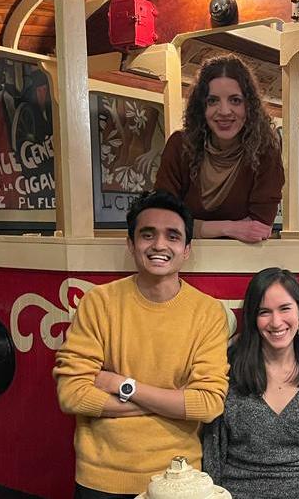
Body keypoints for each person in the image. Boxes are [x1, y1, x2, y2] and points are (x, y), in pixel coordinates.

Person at [53, 190, 229, 499]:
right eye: (148, 234)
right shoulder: (98, 303)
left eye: (172, 236)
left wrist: (122, 385)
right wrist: (170, 404)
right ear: (131, 244)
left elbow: (207, 404)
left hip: (179, 480)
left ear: (186, 250)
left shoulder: (208, 312)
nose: (159, 245)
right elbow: (72, 395)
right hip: (101, 477)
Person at [203, 267, 299, 499]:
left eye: (285, 308)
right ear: (253, 319)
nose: (276, 321)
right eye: (264, 312)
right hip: (238, 492)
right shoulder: (229, 365)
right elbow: (213, 450)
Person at [155, 54, 284, 243]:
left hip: (244, 257)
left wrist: (190, 226)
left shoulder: (265, 151)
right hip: (181, 255)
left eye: (235, 100)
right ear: (201, 107)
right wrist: (229, 228)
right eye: (213, 101)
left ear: (249, 106)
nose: (224, 111)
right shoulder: (179, 145)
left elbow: (260, 227)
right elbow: (161, 217)